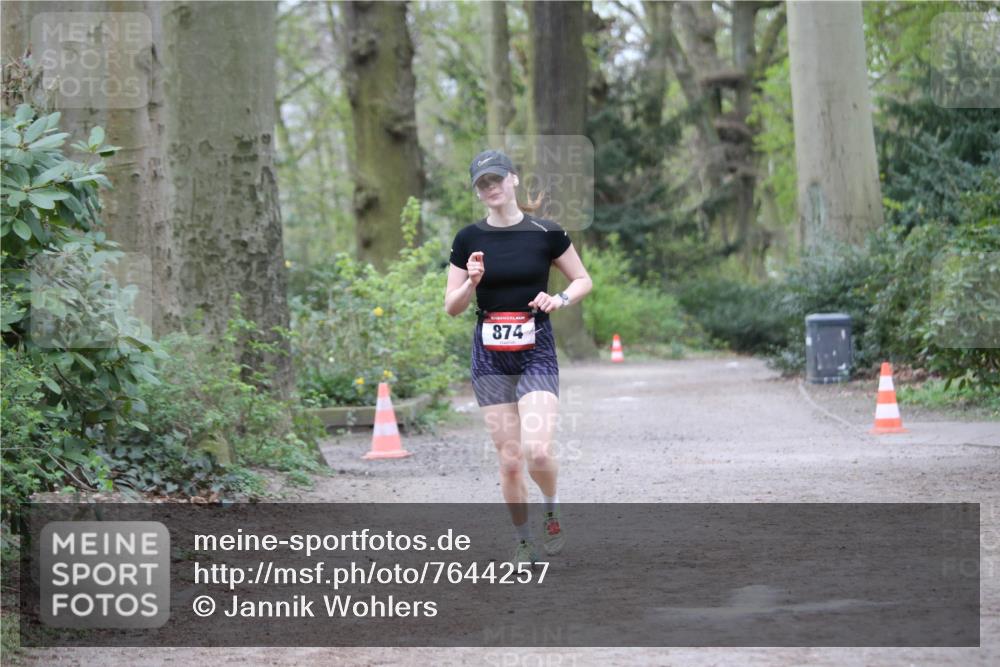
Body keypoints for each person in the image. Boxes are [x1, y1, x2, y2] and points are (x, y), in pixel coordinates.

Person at [444, 149, 593, 565]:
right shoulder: (467, 240)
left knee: (538, 452)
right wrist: (471, 282)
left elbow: (582, 279)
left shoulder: (546, 232)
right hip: (489, 356)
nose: (490, 188)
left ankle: (552, 506)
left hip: (536, 350)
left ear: (512, 180)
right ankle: (523, 540)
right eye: (482, 184)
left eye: (495, 179)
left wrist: (559, 298)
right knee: (510, 461)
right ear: (478, 192)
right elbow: (451, 307)